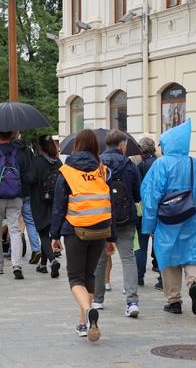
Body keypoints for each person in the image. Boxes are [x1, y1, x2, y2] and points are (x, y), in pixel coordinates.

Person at [141, 119, 196, 316]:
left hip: (167, 219)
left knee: (168, 257)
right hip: (193, 218)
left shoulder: (160, 164)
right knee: (191, 254)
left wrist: (148, 225)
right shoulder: (195, 164)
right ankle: (194, 283)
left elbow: (151, 197)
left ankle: (174, 300)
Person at [51, 129, 112, 342]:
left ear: (76, 146)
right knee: (90, 275)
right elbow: (107, 199)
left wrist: (54, 235)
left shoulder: (66, 171)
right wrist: (111, 237)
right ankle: (84, 324)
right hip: (101, 229)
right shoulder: (102, 170)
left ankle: (88, 312)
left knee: (75, 277)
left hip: (76, 229)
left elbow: (59, 206)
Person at [91, 130, 142, 318]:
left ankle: (97, 300)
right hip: (126, 218)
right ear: (122, 145)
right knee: (128, 258)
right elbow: (137, 195)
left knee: (101, 259)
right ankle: (132, 301)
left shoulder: (98, 164)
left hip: (103, 218)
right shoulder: (130, 165)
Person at [0, 131, 28, 279]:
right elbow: (25, 175)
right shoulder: (19, 152)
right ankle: (17, 264)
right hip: (16, 196)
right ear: (11, 135)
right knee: (15, 230)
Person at [25, 134, 62, 278]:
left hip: (39, 202)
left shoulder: (37, 161)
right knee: (47, 232)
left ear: (40, 147)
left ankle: (52, 261)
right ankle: (42, 265)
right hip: (55, 202)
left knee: (43, 234)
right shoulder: (58, 162)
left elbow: (30, 179)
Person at [135, 137, 161, 289]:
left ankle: (139, 276)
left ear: (142, 151)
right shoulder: (160, 164)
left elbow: (138, 189)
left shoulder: (140, 166)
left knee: (141, 244)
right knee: (160, 243)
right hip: (160, 209)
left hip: (143, 210)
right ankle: (162, 278)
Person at [12, 134, 41, 265]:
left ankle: (16, 253)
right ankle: (36, 248)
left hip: (15, 190)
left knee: (15, 224)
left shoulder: (11, 150)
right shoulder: (28, 150)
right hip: (28, 190)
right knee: (30, 221)